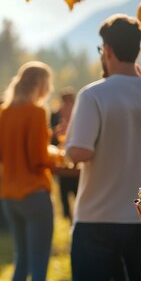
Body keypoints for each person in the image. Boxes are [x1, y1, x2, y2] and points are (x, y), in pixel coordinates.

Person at [63, 14, 141, 281]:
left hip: (97, 217)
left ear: (106, 50)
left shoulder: (94, 94)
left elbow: (80, 152)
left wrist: (67, 144)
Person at [0, 61, 54, 281]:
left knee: (22, 258)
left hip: (9, 195)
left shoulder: (5, 112)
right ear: (41, 85)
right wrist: (55, 155)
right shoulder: (37, 112)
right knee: (40, 261)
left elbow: (2, 154)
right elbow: (37, 159)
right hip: (34, 194)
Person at [52, 88, 78, 221]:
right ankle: (68, 218)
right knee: (64, 193)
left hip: (77, 165)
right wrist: (56, 135)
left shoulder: (80, 116)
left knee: (77, 194)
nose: (66, 106)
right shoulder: (56, 115)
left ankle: (75, 219)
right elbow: (53, 141)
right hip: (62, 164)